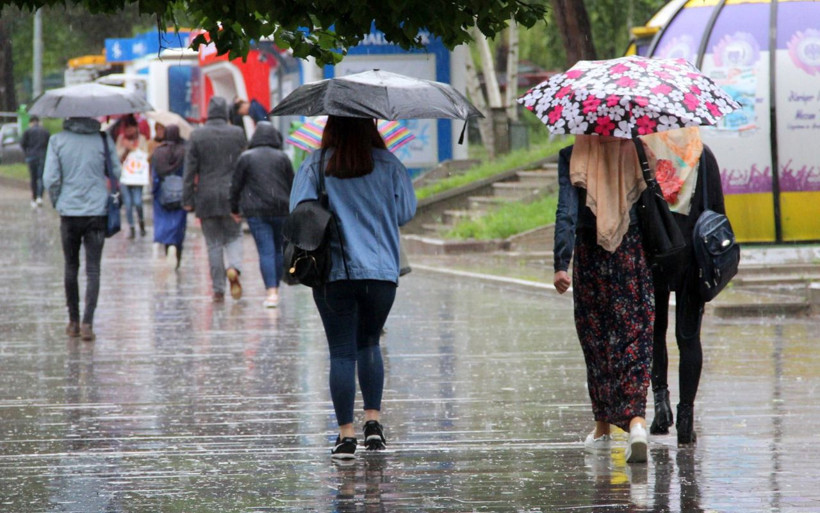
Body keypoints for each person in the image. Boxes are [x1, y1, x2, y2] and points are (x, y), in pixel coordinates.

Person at [289, 116, 416, 460]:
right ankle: (373, 426)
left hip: (334, 272)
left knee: (342, 352)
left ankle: (346, 436)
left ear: (330, 127)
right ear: (370, 126)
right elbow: (405, 211)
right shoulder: (389, 163)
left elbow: (298, 214)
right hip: (381, 273)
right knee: (370, 343)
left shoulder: (315, 164)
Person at [553, 134, 654, 464]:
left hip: (590, 256)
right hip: (631, 253)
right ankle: (637, 423)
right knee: (634, 336)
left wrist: (560, 263)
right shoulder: (637, 149)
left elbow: (566, 210)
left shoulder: (573, 155)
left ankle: (603, 430)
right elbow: (658, 197)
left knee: (597, 340)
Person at [642, 128, 726, 446]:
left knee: (654, 332)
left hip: (654, 253)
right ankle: (686, 419)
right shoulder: (703, 156)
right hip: (693, 256)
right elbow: (717, 214)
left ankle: (661, 407)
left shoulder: (644, 153)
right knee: (688, 337)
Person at [42, 117, 121, 341]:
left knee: (70, 266)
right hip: (97, 212)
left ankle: (73, 321)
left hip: (69, 213)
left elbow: (50, 179)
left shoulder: (57, 141)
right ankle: (88, 322)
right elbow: (116, 170)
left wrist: (59, 201)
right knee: (93, 269)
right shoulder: (103, 140)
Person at [183, 96, 248, 302]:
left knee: (213, 244)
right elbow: (243, 165)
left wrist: (188, 199)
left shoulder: (197, 135)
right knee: (234, 236)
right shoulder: (237, 133)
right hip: (232, 196)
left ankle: (218, 290)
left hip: (206, 196)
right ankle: (234, 267)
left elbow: (189, 171)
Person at [229, 121, 294, 307]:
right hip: (282, 209)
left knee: (266, 251)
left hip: (256, 212)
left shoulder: (246, 157)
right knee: (279, 249)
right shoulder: (282, 157)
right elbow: (292, 183)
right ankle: (277, 289)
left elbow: (236, 185)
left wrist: (234, 208)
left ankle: (271, 292)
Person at [151, 124, 188, 269]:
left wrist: (154, 191)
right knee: (178, 225)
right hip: (180, 194)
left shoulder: (158, 152)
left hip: (162, 194)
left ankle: (168, 248)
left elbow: (154, 176)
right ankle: (177, 253)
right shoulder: (184, 152)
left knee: (165, 224)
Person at [115, 115, 150, 239]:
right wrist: (125, 149)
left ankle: (141, 223)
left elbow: (145, 156)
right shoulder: (121, 139)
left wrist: (133, 148)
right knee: (128, 204)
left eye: (131, 127)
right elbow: (117, 157)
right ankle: (132, 227)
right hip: (125, 177)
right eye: (127, 128)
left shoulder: (142, 139)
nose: (129, 131)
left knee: (138, 202)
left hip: (137, 177)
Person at [20, 115, 51, 208]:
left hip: (31, 156)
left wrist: (27, 153)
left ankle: (33, 198)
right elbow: (49, 144)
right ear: (39, 121)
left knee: (33, 178)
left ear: (31, 122)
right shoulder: (45, 132)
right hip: (42, 156)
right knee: (41, 177)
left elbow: (22, 144)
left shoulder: (27, 131)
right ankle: (39, 197)